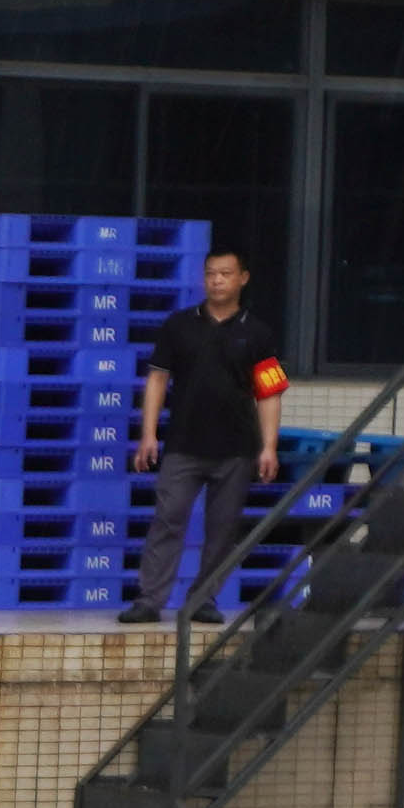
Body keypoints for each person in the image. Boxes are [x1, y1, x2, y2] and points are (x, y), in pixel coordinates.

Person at [123, 246, 284, 627]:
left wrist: (269, 446)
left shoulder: (259, 333)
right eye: (211, 273)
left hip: (237, 448)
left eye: (225, 273)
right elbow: (157, 379)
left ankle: (204, 598)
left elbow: (270, 393)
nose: (217, 281)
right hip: (183, 443)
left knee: (223, 528)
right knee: (168, 519)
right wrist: (149, 434)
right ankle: (149, 600)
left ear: (243, 278)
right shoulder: (178, 325)